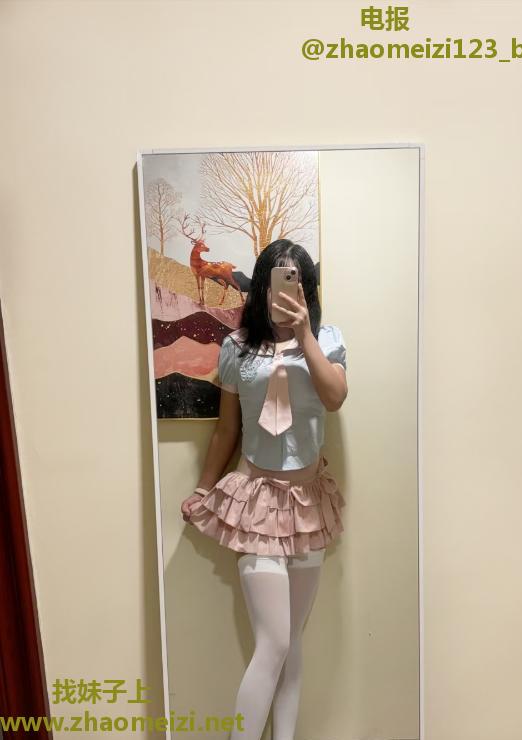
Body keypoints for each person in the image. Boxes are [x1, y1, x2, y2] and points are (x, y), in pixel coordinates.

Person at [180, 238, 348, 740]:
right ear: (262, 287)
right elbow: (227, 430)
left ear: (307, 288)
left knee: (292, 643)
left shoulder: (328, 339)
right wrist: (203, 489)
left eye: (297, 279)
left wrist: (304, 334)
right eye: (278, 278)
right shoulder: (236, 347)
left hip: (308, 504)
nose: (286, 289)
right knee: (273, 644)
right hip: (256, 500)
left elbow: (335, 397)